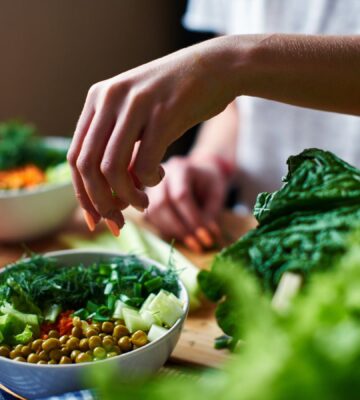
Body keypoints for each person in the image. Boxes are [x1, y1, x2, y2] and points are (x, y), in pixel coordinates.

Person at [67, 0, 360, 250]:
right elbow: (238, 103)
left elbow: (235, 76)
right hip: (261, 235)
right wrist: (210, 161)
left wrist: (232, 64)